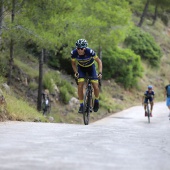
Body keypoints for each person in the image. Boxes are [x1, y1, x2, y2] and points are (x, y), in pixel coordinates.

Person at [71, 39, 102, 113]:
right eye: (78, 48)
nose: (79, 50)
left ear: (85, 48)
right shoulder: (74, 53)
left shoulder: (90, 52)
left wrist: (100, 72)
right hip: (81, 68)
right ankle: (81, 105)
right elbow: (73, 64)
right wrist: (75, 72)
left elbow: (99, 62)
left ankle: (96, 100)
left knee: (95, 86)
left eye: (81, 48)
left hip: (91, 68)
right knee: (80, 85)